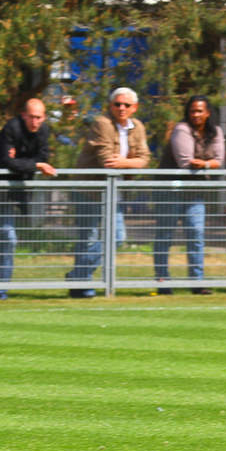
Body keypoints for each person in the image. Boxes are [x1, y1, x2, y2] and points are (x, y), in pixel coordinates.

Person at [65, 87, 150, 298]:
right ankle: (81, 286)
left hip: (115, 190)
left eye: (126, 105)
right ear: (110, 106)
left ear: (134, 108)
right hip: (89, 189)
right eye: (117, 104)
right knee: (88, 238)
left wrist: (126, 162)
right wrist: (131, 163)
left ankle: (77, 275)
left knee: (118, 237)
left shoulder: (137, 126)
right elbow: (107, 161)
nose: (121, 108)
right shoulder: (102, 123)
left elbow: (145, 159)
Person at [154, 94, 224, 295]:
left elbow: (220, 160)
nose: (196, 115)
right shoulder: (181, 129)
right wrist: (208, 164)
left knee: (196, 234)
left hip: (194, 191)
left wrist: (206, 164)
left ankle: (197, 281)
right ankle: (163, 280)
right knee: (165, 235)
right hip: (170, 190)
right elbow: (186, 163)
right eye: (193, 111)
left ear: (208, 113)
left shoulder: (216, 131)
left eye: (200, 110)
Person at [0, 98, 57, 300]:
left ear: (44, 118)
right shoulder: (12, 128)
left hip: (20, 191)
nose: (35, 122)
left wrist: (23, 162)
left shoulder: (43, 131)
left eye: (39, 118)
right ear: (23, 115)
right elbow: (5, 161)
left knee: (9, 239)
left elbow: (43, 158)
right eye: (32, 117)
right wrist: (34, 165)